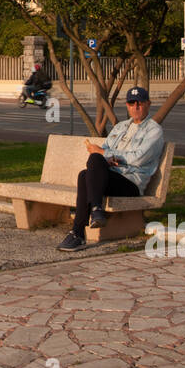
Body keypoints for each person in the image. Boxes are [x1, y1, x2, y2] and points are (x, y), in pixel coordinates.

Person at [58, 86, 165, 252]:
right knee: (86, 171)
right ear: (127, 105)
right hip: (111, 177)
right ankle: (93, 215)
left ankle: (79, 231)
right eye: (131, 103)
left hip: (131, 183)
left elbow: (138, 157)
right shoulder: (120, 127)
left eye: (140, 103)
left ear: (148, 104)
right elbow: (106, 151)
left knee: (89, 168)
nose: (135, 107)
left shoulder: (154, 130)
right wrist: (108, 157)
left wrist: (108, 155)